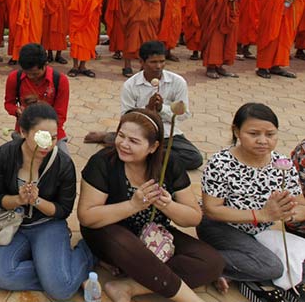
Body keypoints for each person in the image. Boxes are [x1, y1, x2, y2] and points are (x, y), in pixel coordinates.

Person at [78, 108, 224, 302]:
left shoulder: (168, 163)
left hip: (153, 232)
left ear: (153, 147)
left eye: (134, 141)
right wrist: (133, 205)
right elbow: (87, 216)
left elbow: (193, 217)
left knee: (212, 262)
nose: (123, 144)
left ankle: (128, 286)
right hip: (109, 233)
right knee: (130, 247)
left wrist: (167, 205)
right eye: (121, 136)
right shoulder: (103, 162)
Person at [197, 103, 305, 292]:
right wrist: (261, 215)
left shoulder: (283, 165)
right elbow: (212, 210)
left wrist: (289, 214)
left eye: (270, 134)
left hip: (257, 231)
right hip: (220, 227)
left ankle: (223, 269)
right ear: (236, 131)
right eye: (253, 134)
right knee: (273, 267)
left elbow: (301, 205)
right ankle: (201, 259)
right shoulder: (221, 163)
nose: (263, 141)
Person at [0, 103, 92, 297]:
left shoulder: (63, 163)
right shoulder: (5, 155)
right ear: (23, 132)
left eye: (53, 138)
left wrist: (37, 201)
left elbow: (63, 210)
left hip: (47, 224)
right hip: (15, 224)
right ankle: (58, 273)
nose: (48, 144)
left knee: (61, 291)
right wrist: (19, 199)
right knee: (2, 276)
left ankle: (86, 253)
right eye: (41, 137)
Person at [85, 41, 203, 170]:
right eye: (153, 62)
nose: (158, 66)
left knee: (194, 158)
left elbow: (183, 115)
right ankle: (130, 146)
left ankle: (138, 151)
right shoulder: (131, 85)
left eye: (162, 61)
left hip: (167, 133)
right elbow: (126, 118)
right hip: (140, 133)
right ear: (141, 62)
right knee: (113, 157)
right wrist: (147, 111)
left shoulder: (177, 82)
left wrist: (161, 109)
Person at [4, 43, 69, 152]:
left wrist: (44, 131)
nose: (30, 77)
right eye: (27, 73)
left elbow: (61, 115)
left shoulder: (60, 80)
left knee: (65, 163)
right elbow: (8, 104)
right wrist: (17, 111)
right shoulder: (15, 78)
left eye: (35, 74)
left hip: (51, 132)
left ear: (45, 64)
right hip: (25, 131)